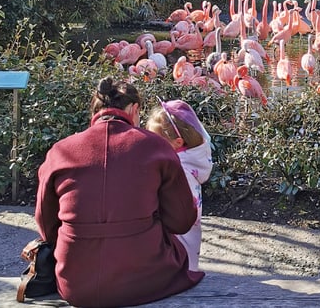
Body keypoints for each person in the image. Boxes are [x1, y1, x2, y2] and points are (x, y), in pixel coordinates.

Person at [35, 77, 204, 307]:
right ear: (134, 109)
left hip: (75, 283)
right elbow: (182, 221)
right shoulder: (156, 147)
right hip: (146, 280)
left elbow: (46, 225)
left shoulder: (60, 151)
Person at [146, 98, 214, 271]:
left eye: (156, 141)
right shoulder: (193, 161)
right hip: (188, 239)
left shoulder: (178, 169)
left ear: (178, 142)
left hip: (176, 244)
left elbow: (174, 208)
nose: (150, 145)